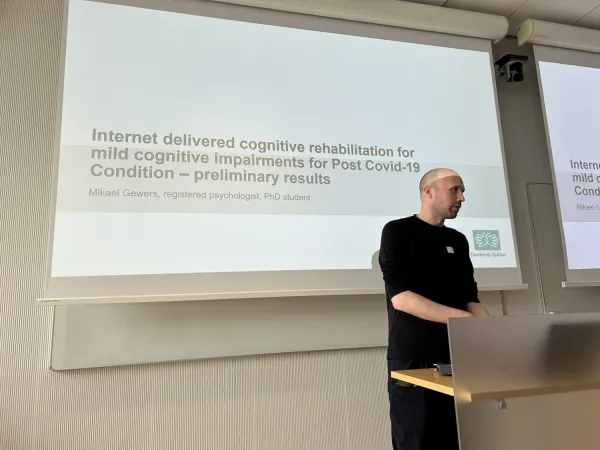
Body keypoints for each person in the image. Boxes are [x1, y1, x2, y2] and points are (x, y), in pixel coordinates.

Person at [378, 168, 489, 450]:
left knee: (457, 439)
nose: (461, 198)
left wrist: (493, 334)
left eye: (462, 191)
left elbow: (471, 298)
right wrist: (465, 320)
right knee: (418, 441)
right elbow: (401, 298)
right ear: (428, 191)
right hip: (414, 360)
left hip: (458, 358)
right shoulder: (398, 231)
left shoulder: (458, 240)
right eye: (455, 190)